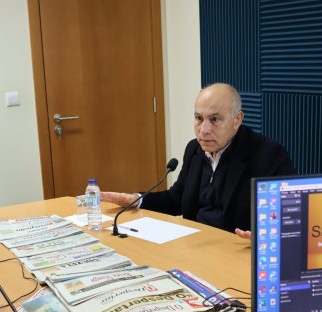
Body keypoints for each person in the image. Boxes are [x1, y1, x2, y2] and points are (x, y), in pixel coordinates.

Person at [101, 83, 295, 238]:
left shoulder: (269, 155)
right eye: (199, 118)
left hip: (236, 251)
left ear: (237, 119)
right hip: (195, 244)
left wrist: (267, 235)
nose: (204, 130)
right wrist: (137, 200)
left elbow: (291, 214)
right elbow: (176, 198)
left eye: (215, 120)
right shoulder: (194, 149)